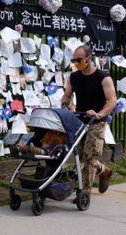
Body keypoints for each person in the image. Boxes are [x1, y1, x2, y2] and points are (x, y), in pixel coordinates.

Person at [61, 45, 117, 194]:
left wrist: (99, 114)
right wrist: (67, 105)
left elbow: (112, 100)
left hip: (97, 123)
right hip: (80, 121)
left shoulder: (103, 78)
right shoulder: (74, 77)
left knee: (90, 156)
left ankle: (84, 193)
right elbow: (67, 96)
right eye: (73, 60)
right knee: (82, 157)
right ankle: (104, 171)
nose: (75, 63)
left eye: (78, 60)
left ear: (89, 59)